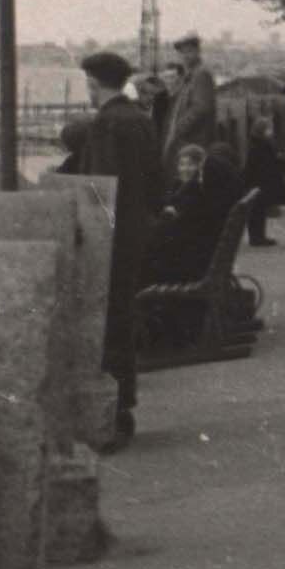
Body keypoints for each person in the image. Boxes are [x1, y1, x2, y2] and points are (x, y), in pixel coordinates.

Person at [55, 50, 163, 448]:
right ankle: (123, 405)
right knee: (121, 317)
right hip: (135, 234)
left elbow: (98, 190)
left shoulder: (105, 124)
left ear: (93, 83)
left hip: (110, 238)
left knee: (107, 325)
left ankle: (111, 415)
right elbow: (156, 181)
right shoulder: (141, 119)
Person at [146, 142, 245, 284]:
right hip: (202, 250)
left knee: (150, 248)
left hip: (194, 259)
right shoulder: (202, 184)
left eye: (191, 165)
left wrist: (169, 215)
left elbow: (188, 216)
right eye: (182, 164)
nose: (185, 169)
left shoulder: (203, 185)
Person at [162, 36, 218, 176]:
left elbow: (201, 108)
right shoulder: (189, 77)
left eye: (189, 51)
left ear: (198, 52)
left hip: (193, 143)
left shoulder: (201, 75)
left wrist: (178, 129)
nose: (185, 56)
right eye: (182, 52)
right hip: (186, 143)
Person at [241, 114, 285, 246]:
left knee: (259, 211)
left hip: (261, 183)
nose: (271, 131)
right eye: (269, 128)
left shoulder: (261, 145)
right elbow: (255, 167)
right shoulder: (259, 147)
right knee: (257, 212)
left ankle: (259, 236)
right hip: (259, 184)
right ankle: (257, 238)